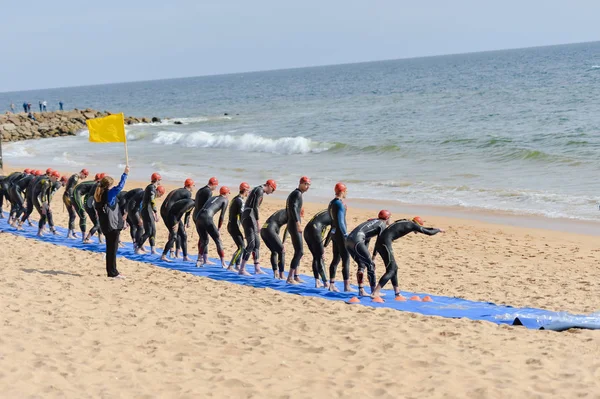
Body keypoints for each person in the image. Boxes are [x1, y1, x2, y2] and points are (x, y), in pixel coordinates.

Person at [371, 217, 444, 298]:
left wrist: (374, 256)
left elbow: (423, 228)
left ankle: (397, 293)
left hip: (380, 244)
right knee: (391, 270)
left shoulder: (405, 222)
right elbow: (428, 232)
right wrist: (438, 230)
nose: (417, 231)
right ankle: (375, 292)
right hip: (384, 244)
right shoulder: (412, 225)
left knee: (394, 268)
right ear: (417, 224)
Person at [94, 166, 129, 278]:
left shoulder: (99, 193)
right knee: (112, 250)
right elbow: (120, 187)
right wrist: (125, 174)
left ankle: (111, 271)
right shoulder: (108, 194)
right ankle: (113, 272)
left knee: (110, 249)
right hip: (112, 225)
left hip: (106, 225)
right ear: (108, 185)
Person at [346, 210, 392, 296]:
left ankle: (361, 291)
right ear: (387, 218)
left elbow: (366, 241)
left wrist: (366, 256)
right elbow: (379, 243)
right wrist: (373, 257)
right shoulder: (382, 224)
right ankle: (374, 291)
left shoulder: (372, 221)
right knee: (371, 265)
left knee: (362, 264)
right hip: (357, 240)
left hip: (348, 240)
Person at [237, 179, 276, 276]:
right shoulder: (259, 190)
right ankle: (242, 269)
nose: (271, 193)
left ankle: (257, 268)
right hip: (249, 215)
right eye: (273, 190)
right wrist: (258, 222)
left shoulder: (258, 190)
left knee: (257, 243)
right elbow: (255, 207)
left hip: (250, 216)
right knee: (251, 243)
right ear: (270, 186)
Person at [160, 178, 195, 262]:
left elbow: (186, 209)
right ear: (189, 186)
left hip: (163, 211)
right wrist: (177, 221)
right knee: (175, 234)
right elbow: (184, 209)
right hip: (171, 213)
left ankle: (179, 254)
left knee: (180, 233)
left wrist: (186, 221)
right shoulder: (188, 193)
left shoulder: (178, 190)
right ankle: (169, 254)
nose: (194, 187)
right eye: (193, 185)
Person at [195, 186, 230, 267]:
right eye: (228, 193)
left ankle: (199, 260)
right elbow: (222, 216)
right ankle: (223, 263)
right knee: (218, 240)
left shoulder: (213, 197)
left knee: (204, 240)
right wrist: (219, 229)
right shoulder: (225, 200)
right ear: (226, 193)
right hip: (207, 217)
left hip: (198, 217)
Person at [286, 176, 311, 284]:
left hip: (292, 224)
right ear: (300, 183)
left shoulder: (296, 193)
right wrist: (298, 224)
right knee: (300, 251)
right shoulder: (297, 194)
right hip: (293, 224)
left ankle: (296, 276)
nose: (307, 186)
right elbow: (293, 209)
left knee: (299, 251)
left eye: (308, 185)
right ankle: (290, 278)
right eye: (305, 184)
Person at [328, 182, 351, 292]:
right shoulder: (339, 204)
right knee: (345, 258)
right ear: (342, 191)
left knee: (336, 258)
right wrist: (345, 234)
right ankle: (347, 286)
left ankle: (331, 284)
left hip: (333, 232)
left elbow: (331, 218)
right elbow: (341, 221)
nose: (346, 192)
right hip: (340, 234)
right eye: (346, 190)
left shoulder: (332, 202)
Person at [136, 172, 165, 254]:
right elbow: (152, 201)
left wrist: (153, 212)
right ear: (156, 180)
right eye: (159, 180)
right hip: (146, 211)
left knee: (153, 230)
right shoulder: (151, 188)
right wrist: (155, 212)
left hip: (148, 211)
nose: (160, 181)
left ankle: (153, 249)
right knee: (148, 231)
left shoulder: (151, 187)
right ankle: (138, 247)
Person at [303, 209, 333, 288]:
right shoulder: (336, 215)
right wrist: (325, 246)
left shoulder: (327, 211)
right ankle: (326, 283)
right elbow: (332, 232)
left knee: (316, 257)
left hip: (306, 230)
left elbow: (322, 227)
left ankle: (317, 282)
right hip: (315, 230)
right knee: (320, 257)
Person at [226, 182, 250, 271]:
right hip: (233, 226)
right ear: (245, 190)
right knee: (241, 247)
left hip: (231, 225)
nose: (249, 193)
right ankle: (231, 266)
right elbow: (241, 217)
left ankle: (237, 265)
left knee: (241, 245)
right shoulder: (240, 201)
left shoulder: (235, 199)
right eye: (248, 190)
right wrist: (245, 230)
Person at [72, 174, 102, 242]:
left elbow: (87, 196)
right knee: (83, 215)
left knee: (85, 216)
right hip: (76, 194)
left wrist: (86, 204)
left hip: (77, 194)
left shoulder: (95, 184)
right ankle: (84, 238)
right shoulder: (96, 185)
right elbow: (92, 197)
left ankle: (98, 239)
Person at [193, 177, 218, 256]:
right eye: (216, 186)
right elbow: (208, 206)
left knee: (202, 236)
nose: (216, 187)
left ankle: (202, 255)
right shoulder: (209, 192)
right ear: (213, 184)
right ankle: (204, 257)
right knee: (205, 238)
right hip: (202, 216)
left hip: (195, 214)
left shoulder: (200, 190)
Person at [260, 209, 289, 279]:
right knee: (282, 251)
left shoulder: (283, 210)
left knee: (274, 251)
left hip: (264, 229)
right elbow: (288, 229)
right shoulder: (292, 213)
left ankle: (275, 273)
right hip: (271, 229)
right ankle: (281, 275)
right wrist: (283, 242)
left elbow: (276, 222)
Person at [63, 169, 89, 239]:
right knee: (73, 215)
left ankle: (73, 232)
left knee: (73, 215)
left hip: (67, 196)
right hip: (68, 197)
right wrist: (72, 199)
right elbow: (70, 188)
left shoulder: (75, 177)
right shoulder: (75, 178)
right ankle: (69, 234)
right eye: (85, 176)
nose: (84, 178)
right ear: (82, 173)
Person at [34, 171, 61, 236]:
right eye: (56, 178)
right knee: (43, 215)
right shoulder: (46, 182)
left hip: (41, 197)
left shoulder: (50, 183)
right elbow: (43, 193)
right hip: (36, 198)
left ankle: (52, 228)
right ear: (53, 176)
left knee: (49, 212)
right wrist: (43, 205)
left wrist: (49, 204)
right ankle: (39, 232)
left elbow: (48, 194)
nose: (57, 180)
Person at [82, 174, 105, 244]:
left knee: (98, 223)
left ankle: (100, 240)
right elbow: (95, 199)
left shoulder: (97, 184)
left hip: (88, 205)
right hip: (91, 206)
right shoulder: (98, 186)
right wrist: (96, 211)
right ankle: (87, 239)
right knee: (97, 224)